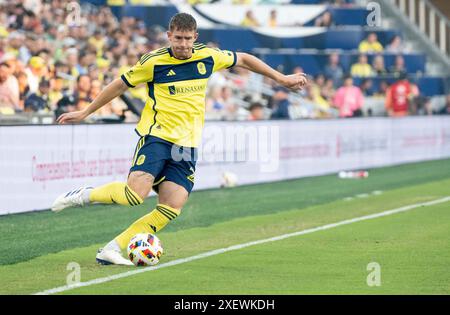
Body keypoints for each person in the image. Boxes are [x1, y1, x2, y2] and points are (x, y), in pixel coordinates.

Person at [51, 13, 307, 266]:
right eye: (178, 38)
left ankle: (112, 249)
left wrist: (281, 79)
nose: (183, 44)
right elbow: (119, 85)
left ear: (195, 37)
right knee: (134, 195)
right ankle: (84, 195)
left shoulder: (208, 56)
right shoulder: (153, 62)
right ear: (169, 36)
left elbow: (245, 59)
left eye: (187, 39)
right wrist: (86, 111)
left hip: (187, 146)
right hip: (157, 136)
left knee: (172, 207)